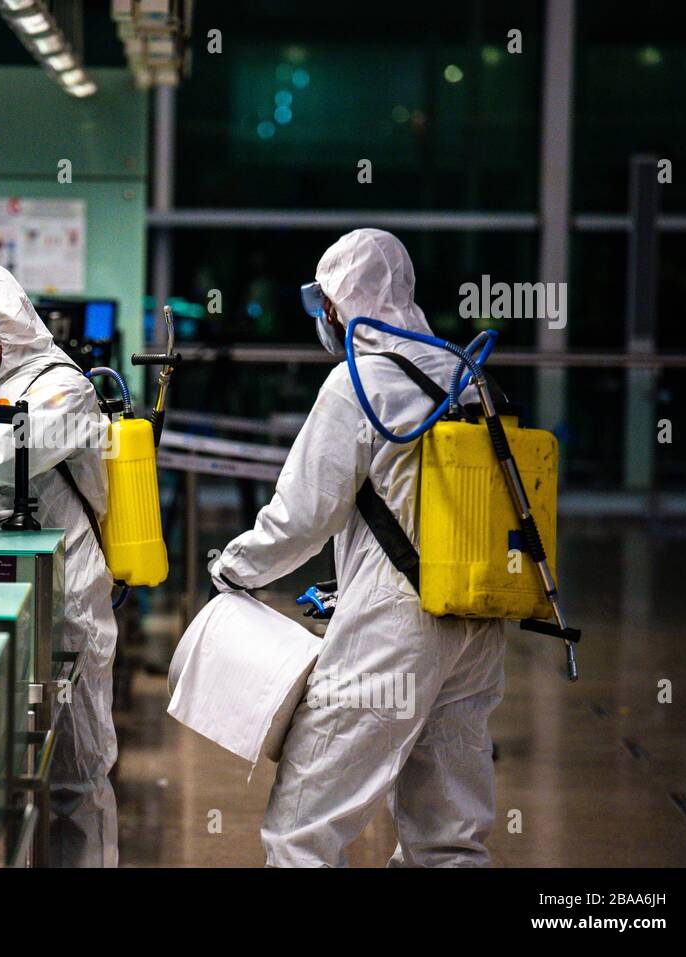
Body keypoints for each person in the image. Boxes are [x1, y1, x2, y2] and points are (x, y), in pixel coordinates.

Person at [209, 229, 506, 867]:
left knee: (302, 828)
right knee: (447, 836)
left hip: (394, 630)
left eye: (328, 305)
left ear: (341, 302)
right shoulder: (462, 370)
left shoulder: (357, 383)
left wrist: (233, 569)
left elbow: (301, 517)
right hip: (477, 620)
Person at [0, 261, 118, 867]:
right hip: (3, 578)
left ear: (4, 325)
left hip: (67, 589)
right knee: (10, 765)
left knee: (74, 769)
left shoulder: (63, 386)